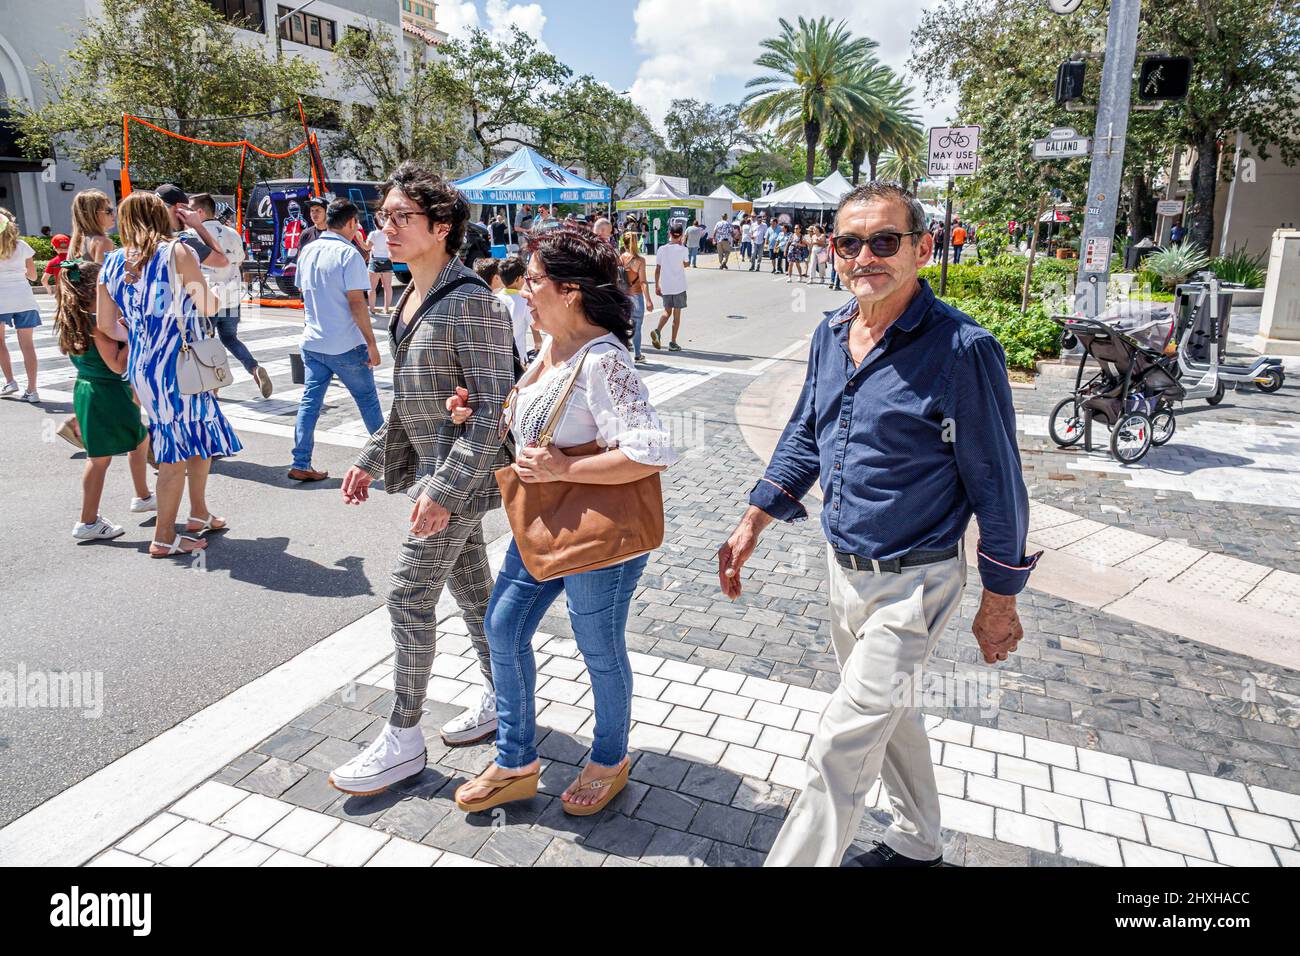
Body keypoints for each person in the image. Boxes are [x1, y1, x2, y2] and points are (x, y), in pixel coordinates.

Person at [716, 182, 1037, 868]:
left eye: (885, 241)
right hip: (844, 574)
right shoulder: (832, 334)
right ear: (832, 251)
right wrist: (753, 520)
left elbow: (998, 485)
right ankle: (919, 841)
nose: (867, 255)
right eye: (850, 242)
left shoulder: (961, 350)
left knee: (841, 743)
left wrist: (999, 599)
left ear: (923, 249)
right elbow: (807, 433)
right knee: (887, 720)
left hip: (915, 585)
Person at [447, 226, 677, 817]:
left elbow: (651, 448)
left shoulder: (604, 360)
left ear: (570, 291)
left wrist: (559, 465)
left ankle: (608, 758)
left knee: (597, 646)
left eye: (534, 279)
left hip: (598, 534)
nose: (523, 288)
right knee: (502, 628)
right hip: (543, 526)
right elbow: (539, 424)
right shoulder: (548, 345)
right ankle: (515, 758)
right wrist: (482, 413)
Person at [329, 162, 517, 794]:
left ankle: (404, 736)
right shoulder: (409, 297)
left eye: (401, 217)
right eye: (383, 217)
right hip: (433, 474)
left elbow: (494, 410)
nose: (386, 227)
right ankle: (504, 698)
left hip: (459, 479)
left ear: (442, 228)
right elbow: (414, 403)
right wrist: (369, 456)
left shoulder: (474, 302)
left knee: (409, 594)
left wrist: (442, 489)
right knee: (474, 594)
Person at [96, 191, 241, 558]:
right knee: (176, 448)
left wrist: (146, 336)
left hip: (146, 364)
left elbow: (106, 325)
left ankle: (199, 513)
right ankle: (163, 537)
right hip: (181, 363)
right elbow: (207, 304)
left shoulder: (111, 263)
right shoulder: (177, 253)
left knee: (196, 435)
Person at [54, 258, 153, 540]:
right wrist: (134, 334)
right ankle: (87, 522)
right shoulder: (98, 323)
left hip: (89, 389)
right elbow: (117, 365)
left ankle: (142, 496)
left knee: (139, 439)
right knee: (99, 459)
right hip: (107, 392)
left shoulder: (76, 317)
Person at [288, 199, 385, 482]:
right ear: (353, 222)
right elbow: (357, 303)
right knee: (367, 401)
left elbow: (303, 293)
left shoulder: (308, 250)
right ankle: (388, 460)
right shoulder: (349, 254)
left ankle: (301, 460)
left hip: (313, 341)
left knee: (310, 403)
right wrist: (372, 342)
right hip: (345, 342)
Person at [188, 193, 268, 399]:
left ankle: (213, 385)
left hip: (207, 296)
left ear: (200, 212)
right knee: (230, 338)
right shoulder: (232, 233)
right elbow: (240, 260)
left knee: (205, 341)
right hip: (231, 295)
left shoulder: (193, 234)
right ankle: (253, 368)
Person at [0, 207, 42, 403]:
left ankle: (10, 381)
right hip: (24, 298)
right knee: (27, 345)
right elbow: (33, 275)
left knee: (0, 343)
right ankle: (32, 390)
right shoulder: (22, 246)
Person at [154, 184, 230, 272]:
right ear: (179, 207)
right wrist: (198, 226)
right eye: (187, 208)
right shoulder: (182, 240)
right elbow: (222, 261)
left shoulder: (141, 236)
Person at [650, 223, 689, 352]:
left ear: (669, 234)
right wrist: (682, 245)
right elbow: (687, 264)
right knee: (676, 316)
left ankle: (657, 330)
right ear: (681, 236)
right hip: (679, 286)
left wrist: (656, 285)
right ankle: (673, 342)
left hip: (666, 286)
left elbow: (657, 269)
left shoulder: (662, 249)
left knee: (667, 312)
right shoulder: (683, 249)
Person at [619, 231, 654, 363]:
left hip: (623, 296)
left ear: (624, 243)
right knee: (637, 326)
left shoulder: (620, 258)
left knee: (623, 325)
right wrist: (649, 300)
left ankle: (624, 353)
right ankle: (638, 355)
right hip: (636, 295)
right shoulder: (640, 261)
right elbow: (643, 282)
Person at [496, 254, 536, 365]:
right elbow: (534, 323)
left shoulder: (495, 299)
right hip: (519, 358)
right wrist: (538, 342)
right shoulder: (524, 300)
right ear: (518, 279)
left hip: (499, 357)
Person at [69, 189, 117, 265]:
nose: (113, 215)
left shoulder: (78, 240)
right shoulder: (102, 242)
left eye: (113, 210)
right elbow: (103, 276)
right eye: (108, 211)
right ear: (90, 215)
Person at [366, 210, 397, 315]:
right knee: (388, 287)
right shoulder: (388, 234)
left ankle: (372, 309)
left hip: (375, 261)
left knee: (372, 288)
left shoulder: (373, 234)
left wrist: (359, 237)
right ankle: (386, 309)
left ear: (374, 223)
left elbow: (367, 247)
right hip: (387, 260)